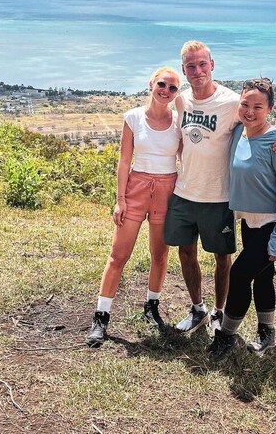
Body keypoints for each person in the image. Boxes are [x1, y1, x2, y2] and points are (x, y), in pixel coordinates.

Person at [164, 42, 276, 335]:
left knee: (223, 260)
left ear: (212, 64)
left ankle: (219, 313)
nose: (197, 71)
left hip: (219, 197)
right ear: (184, 69)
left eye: (202, 64)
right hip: (185, 191)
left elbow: (263, 124)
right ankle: (197, 309)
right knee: (186, 254)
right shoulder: (181, 101)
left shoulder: (229, 103)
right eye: (190, 66)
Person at [86, 67, 183, 348]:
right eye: (161, 84)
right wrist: (120, 199)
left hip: (167, 189)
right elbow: (124, 162)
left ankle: (151, 306)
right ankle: (101, 316)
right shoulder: (133, 117)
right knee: (118, 255)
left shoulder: (179, 122)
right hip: (136, 188)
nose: (166, 90)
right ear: (151, 84)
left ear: (177, 93)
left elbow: (187, 157)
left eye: (173, 88)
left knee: (160, 254)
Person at [208, 77, 276, 361]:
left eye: (258, 106)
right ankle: (266, 332)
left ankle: (226, 337)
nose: (250, 111)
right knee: (262, 277)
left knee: (238, 275)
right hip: (251, 221)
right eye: (245, 104)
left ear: (270, 109)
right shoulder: (239, 133)